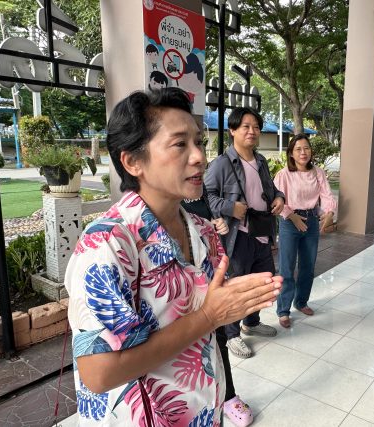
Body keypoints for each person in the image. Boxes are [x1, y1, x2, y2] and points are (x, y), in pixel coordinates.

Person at [64, 88, 282, 426]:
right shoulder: (107, 245)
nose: (199, 157)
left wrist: (233, 302)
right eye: (180, 144)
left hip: (203, 410)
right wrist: (210, 315)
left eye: (199, 143)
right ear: (132, 161)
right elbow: (99, 373)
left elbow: (206, 321)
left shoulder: (203, 231)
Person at [205, 107, 285, 359]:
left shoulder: (260, 161)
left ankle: (251, 322)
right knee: (238, 285)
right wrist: (230, 207)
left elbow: (271, 190)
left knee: (262, 281)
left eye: (256, 127)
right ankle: (231, 335)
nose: (252, 131)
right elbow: (204, 196)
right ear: (232, 130)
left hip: (261, 231)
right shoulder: (221, 164)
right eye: (246, 127)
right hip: (237, 237)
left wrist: (280, 198)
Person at [182, 190, 254, 426]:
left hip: (208, 277)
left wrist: (214, 225)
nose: (198, 172)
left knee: (218, 340)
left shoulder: (198, 190)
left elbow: (207, 217)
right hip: (182, 291)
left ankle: (228, 397)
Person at [273, 133, 337, 328]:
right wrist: (291, 216)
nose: (303, 152)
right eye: (298, 149)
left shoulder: (318, 172)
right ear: (291, 153)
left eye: (306, 148)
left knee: (308, 266)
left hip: (311, 220)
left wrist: (329, 212)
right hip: (289, 221)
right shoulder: (283, 175)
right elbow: (276, 201)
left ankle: (301, 302)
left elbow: (327, 196)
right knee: (287, 267)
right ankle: (283, 310)